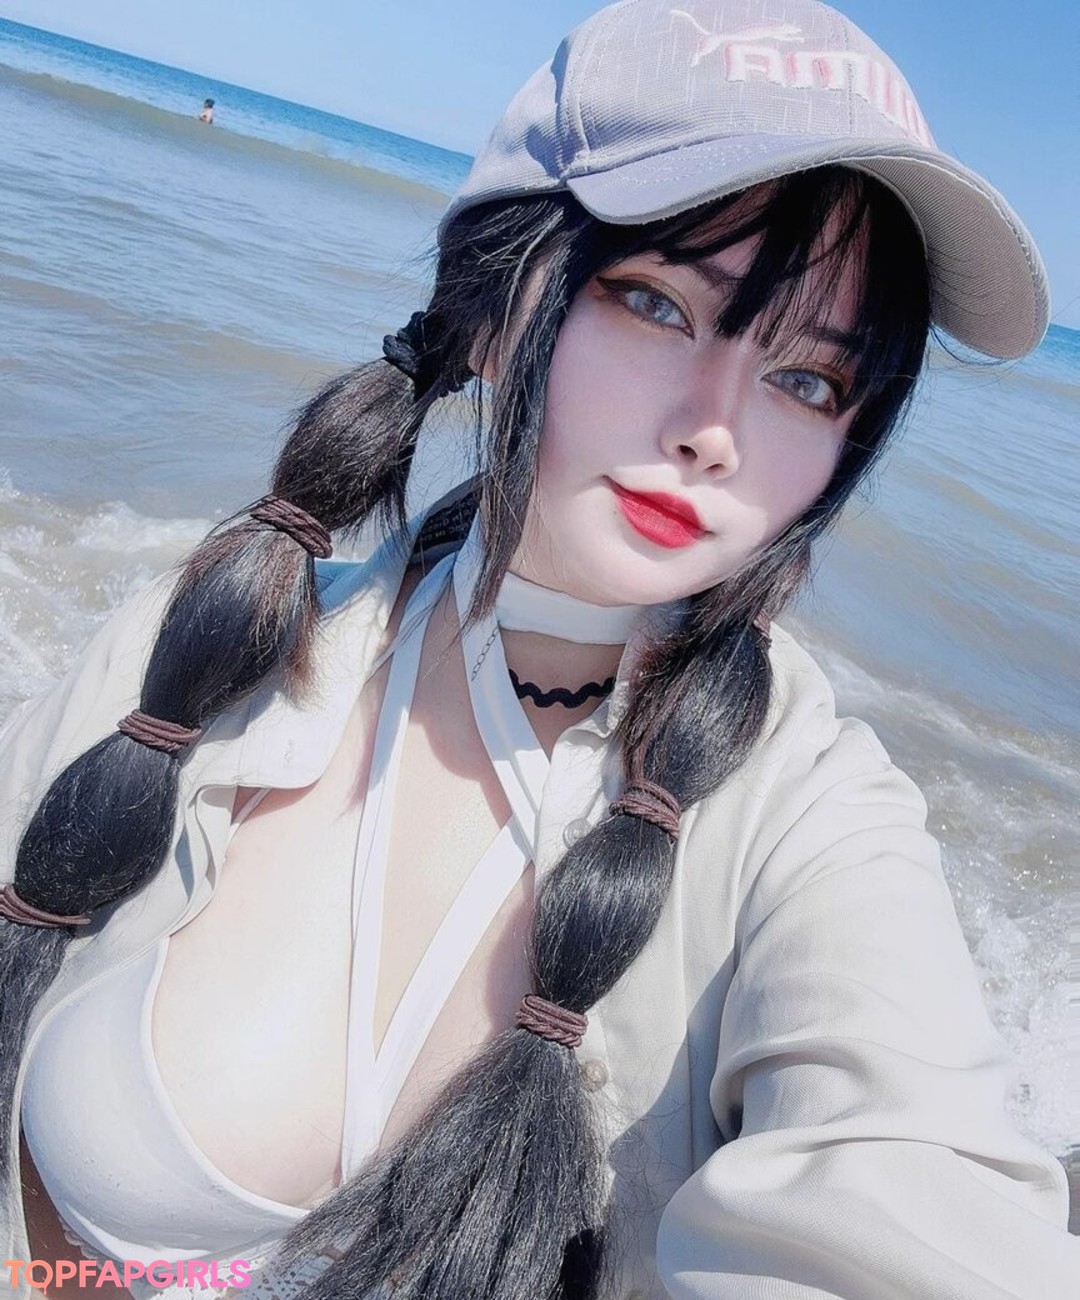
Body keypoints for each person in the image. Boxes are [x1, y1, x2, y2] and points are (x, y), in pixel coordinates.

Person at [1, 1, 1076, 1297]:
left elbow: (913, 1202)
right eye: (658, 303)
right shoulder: (207, 641)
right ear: (498, 310)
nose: (716, 429)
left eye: (809, 381)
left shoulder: (803, 812)